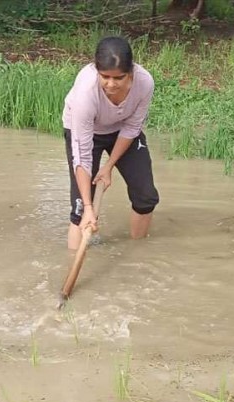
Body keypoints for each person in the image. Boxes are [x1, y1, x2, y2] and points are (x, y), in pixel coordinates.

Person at [62, 36, 159, 250]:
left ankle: (138, 254)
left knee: (146, 197)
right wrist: (89, 207)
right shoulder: (85, 95)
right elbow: (82, 155)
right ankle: (70, 262)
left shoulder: (145, 83)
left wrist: (109, 166)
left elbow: (133, 127)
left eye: (119, 78)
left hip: (122, 131)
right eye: (104, 76)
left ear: (131, 72)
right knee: (80, 210)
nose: (111, 84)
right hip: (86, 132)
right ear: (96, 69)